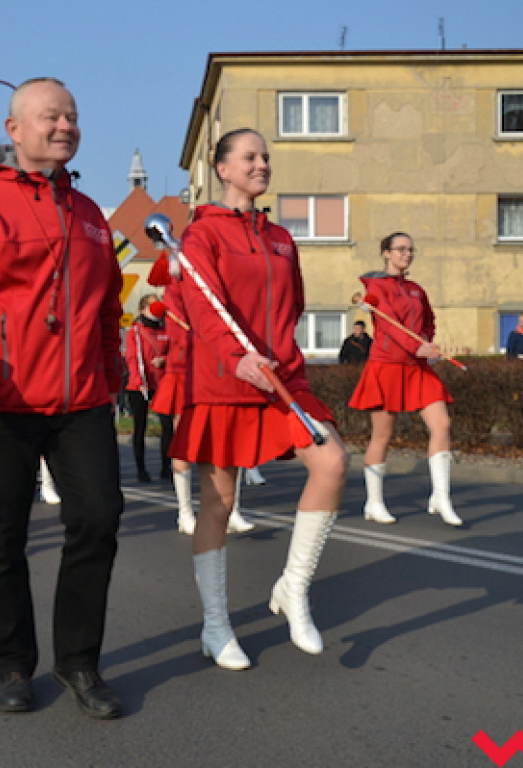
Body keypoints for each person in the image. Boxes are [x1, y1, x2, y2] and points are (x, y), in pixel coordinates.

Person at [0, 77, 125, 719]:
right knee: (4, 537)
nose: (65, 126)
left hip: (81, 400)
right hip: (1, 400)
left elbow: (108, 306)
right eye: (50, 117)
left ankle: (78, 662)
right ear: (15, 130)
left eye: (72, 116)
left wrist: (111, 369)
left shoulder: (90, 214)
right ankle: (12, 663)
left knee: (98, 520)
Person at [172, 128, 348, 670]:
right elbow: (203, 312)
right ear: (222, 168)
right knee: (220, 503)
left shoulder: (279, 237)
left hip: (280, 378)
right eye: (249, 157)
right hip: (227, 381)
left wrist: (277, 355)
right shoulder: (201, 235)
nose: (261, 164)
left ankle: (292, 588)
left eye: (265, 156)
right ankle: (216, 625)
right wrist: (236, 356)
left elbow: (292, 304)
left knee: (333, 461)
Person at [348, 232, 462, 528]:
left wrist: (427, 343)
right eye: (400, 250)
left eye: (410, 250)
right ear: (386, 253)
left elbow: (428, 320)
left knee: (442, 425)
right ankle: (373, 501)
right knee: (382, 436)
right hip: (386, 366)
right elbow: (386, 322)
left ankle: (441, 496)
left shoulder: (415, 289)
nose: (407, 254)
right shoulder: (376, 287)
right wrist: (367, 304)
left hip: (417, 368)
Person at [148, 255, 254, 537]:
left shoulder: (215, 284)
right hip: (186, 373)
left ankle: (232, 510)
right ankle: (184, 512)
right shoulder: (175, 290)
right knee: (186, 443)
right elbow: (181, 334)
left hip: (220, 370)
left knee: (231, 441)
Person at [125, 293, 172, 483]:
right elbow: (133, 358)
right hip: (140, 385)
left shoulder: (166, 329)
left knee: (167, 425)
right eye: (152, 306)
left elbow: (176, 352)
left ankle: (166, 468)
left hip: (162, 383)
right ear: (143, 309)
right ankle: (141, 469)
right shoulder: (135, 331)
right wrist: (139, 381)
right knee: (140, 426)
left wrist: (165, 361)